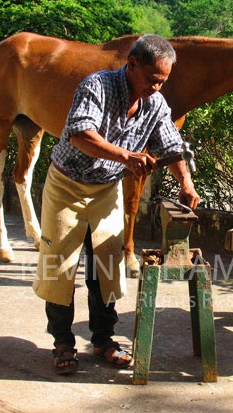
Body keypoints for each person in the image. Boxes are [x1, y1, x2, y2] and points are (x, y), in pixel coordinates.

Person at [33, 34, 200, 374]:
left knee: (107, 265)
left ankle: (104, 340)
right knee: (59, 265)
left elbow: (171, 143)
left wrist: (186, 181)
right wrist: (126, 155)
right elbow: (80, 133)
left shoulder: (155, 104)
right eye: (153, 80)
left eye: (163, 82)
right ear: (132, 64)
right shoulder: (97, 86)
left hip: (106, 188)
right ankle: (63, 342)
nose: (156, 88)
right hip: (67, 184)